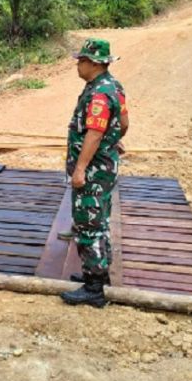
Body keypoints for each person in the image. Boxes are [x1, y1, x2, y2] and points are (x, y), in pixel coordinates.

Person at [61, 38, 129, 308]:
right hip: (105, 167)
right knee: (99, 220)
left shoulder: (98, 94)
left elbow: (95, 131)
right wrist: (114, 139)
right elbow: (123, 122)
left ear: (94, 63)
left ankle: (94, 289)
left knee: (88, 224)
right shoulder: (113, 86)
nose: (78, 65)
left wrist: (80, 168)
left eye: (81, 61)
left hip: (92, 171)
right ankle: (96, 272)